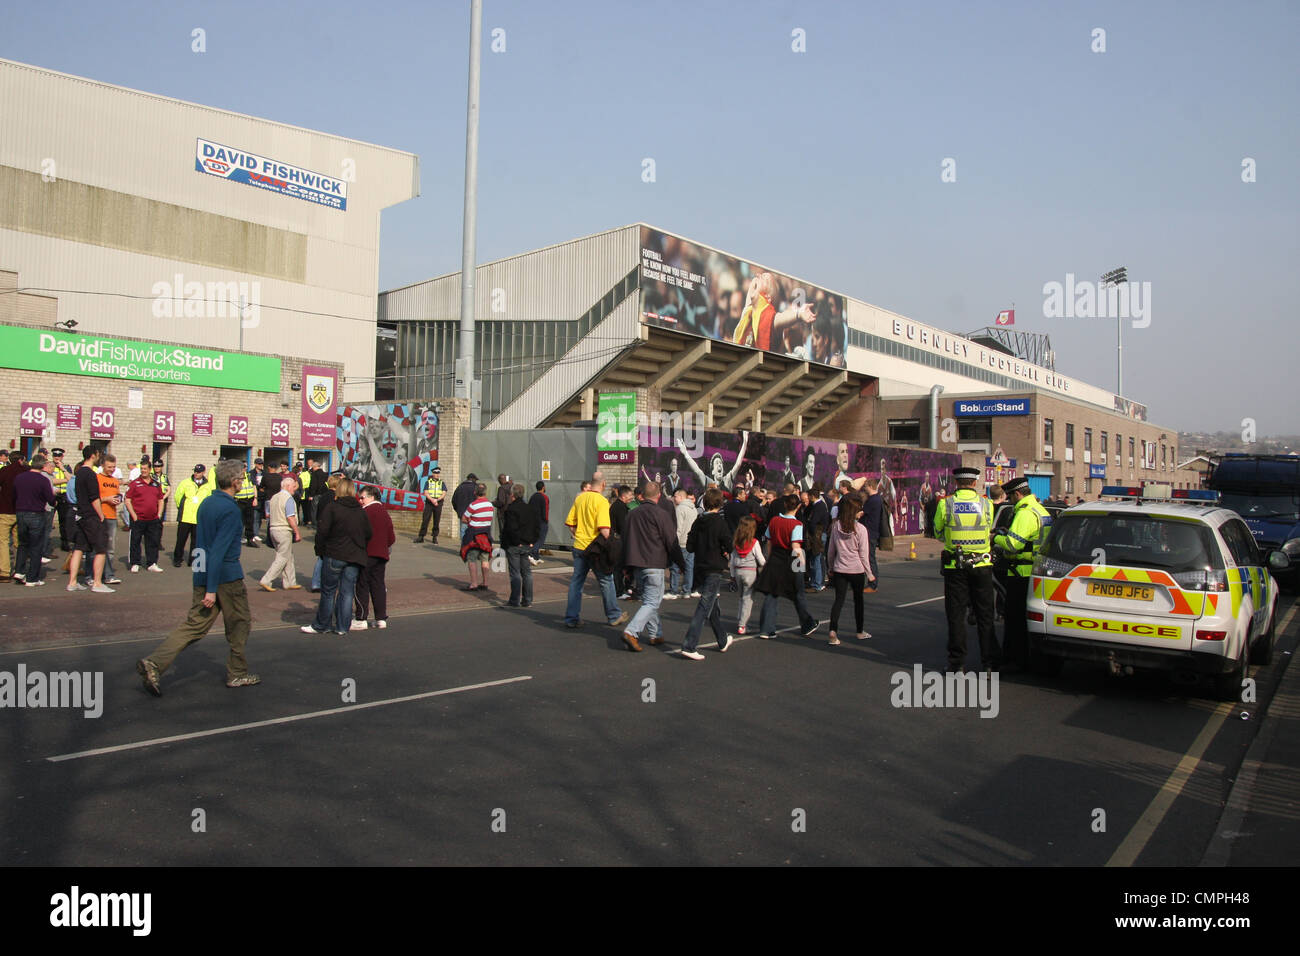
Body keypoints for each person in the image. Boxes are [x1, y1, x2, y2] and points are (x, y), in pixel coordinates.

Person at [136, 458, 260, 696]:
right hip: (226, 577)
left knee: (195, 625)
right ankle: (237, 672)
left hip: (204, 573)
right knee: (240, 623)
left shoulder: (206, 503)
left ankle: (155, 662)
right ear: (234, 482)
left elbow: (201, 546)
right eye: (242, 478)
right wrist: (211, 589)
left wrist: (200, 579)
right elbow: (218, 552)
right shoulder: (230, 510)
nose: (243, 482)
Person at [933, 467, 998, 673]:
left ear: (956, 482)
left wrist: (952, 541)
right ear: (974, 483)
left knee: (956, 616)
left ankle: (956, 663)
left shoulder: (946, 503)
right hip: (982, 565)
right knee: (985, 616)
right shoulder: (986, 504)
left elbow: (937, 531)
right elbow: (988, 530)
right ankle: (989, 664)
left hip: (956, 567)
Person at [992, 476, 1052, 668]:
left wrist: (995, 538)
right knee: (1026, 621)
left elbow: (1012, 544)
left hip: (1021, 573)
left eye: (1010, 497)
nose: (1009, 500)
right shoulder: (1040, 509)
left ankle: (1015, 661)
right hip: (1036, 571)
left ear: (1017, 494)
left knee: (1014, 620)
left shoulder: (1025, 513)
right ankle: (1026, 658)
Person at [302, 477, 371, 635]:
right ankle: (342, 626)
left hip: (335, 553)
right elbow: (368, 533)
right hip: (354, 556)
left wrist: (319, 550)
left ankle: (322, 624)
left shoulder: (333, 508)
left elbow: (322, 532)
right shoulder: (360, 511)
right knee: (347, 592)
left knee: (328, 591)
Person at [620, 481, 684, 652]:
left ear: (642, 495)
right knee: (652, 601)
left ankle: (656, 634)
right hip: (654, 562)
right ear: (659, 495)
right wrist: (681, 563)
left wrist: (625, 567)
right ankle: (631, 631)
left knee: (649, 599)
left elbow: (625, 540)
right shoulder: (661, 514)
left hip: (637, 563)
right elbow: (671, 541)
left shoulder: (632, 514)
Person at [563, 474, 628, 630]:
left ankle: (571, 618)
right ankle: (613, 615)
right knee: (606, 581)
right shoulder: (602, 502)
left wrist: (577, 534)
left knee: (576, 582)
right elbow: (605, 530)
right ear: (603, 484)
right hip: (595, 548)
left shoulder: (580, 498)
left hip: (579, 546)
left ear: (591, 485)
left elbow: (570, 524)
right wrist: (614, 544)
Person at [755, 493, 818, 639]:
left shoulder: (774, 520)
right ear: (798, 506)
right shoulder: (797, 524)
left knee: (772, 593)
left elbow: (769, 542)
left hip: (775, 558)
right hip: (792, 559)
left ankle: (766, 628)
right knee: (798, 592)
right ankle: (807, 623)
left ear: (785, 505)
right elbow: (796, 546)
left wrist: (769, 559)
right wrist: (802, 563)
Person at [680, 488, 733, 659]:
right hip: (714, 567)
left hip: (700, 566)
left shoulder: (698, 521)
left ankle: (722, 639)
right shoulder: (720, 523)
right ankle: (689, 645)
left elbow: (690, 546)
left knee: (712, 605)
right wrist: (724, 551)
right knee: (704, 606)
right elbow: (729, 544)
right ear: (720, 504)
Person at [826, 493, 875, 644]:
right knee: (858, 601)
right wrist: (870, 573)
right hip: (856, 570)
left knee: (838, 600)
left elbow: (831, 550)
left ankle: (833, 630)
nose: (862, 511)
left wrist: (830, 566)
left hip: (840, 568)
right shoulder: (861, 529)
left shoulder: (836, 527)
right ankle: (859, 631)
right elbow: (863, 555)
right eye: (859, 509)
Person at [66, 447, 113, 593]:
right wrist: (101, 515)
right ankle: (97, 583)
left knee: (79, 548)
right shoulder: (91, 474)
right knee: (101, 547)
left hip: (80, 514)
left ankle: (72, 582)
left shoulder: (79, 473)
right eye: (98, 455)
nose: (99, 457)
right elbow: (94, 498)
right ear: (93, 456)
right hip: (91, 515)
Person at [353, 484, 395, 629]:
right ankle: (381, 618)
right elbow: (391, 537)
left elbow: (358, 533)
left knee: (362, 585)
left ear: (371, 497)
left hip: (366, 553)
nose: (360, 500)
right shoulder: (384, 512)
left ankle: (361, 618)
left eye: (362, 497)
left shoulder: (365, 512)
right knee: (378, 585)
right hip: (381, 555)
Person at [13, 454, 56, 586]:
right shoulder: (43, 480)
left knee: (23, 543)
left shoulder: (19, 477)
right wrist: (54, 501)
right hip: (36, 513)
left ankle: (19, 571)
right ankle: (32, 578)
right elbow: (50, 499)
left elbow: (14, 494)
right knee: (36, 546)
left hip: (21, 513)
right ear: (43, 466)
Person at [257, 474, 303, 591]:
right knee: (282, 557)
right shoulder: (288, 498)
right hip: (283, 529)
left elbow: (268, 513)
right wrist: (297, 532)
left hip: (273, 528)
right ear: (287, 486)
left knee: (288, 555)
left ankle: (289, 582)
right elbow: (290, 517)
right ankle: (266, 580)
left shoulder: (274, 497)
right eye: (293, 486)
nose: (295, 488)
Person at [501, 482, 540, 608]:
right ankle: (527, 600)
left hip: (515, 545)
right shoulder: (530, 508)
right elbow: (536, 526)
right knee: (527, 572)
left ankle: (514, 600)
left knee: (515, 573)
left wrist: (516, 541)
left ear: (512, 495)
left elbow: (510, 529)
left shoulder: (511, 510)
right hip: (527, 544)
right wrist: (532, 541)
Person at [125, 458, 166, 573]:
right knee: (135, 541)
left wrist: (159, 514)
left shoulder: (155, 484)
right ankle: (135, 563)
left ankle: (152, 563)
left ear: (150, 469)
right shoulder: (134, 484)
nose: (143, 471)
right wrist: (133, 515)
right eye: (141, 469)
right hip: (138, 519)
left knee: (152, 542)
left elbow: (161, 500)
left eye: (145, 469)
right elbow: (127, 500)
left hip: (153, 519)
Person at [172, 464, 215, 567]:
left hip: (199, 518)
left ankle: (193, 560)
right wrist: (182, 508)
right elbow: (178, 496)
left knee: (196, 541)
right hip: (185, 517)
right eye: (195, 471)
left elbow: (209, 501)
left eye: (198, 472)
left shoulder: (208, 486)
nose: (196, 473)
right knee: (181, 540)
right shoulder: (185, 482)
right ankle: (177, 559)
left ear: (203, 472)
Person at [729, 514, 765, 635]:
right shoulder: (754, 542)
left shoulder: (735, 542)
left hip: (738, 570)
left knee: (741, 597)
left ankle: (740, 619)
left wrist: (732, 575)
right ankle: (742, 625)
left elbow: (732, 559)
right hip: (750, 572)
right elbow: (761, 560)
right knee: (748, 599)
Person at [460, 482, 495, 591]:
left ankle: (474, 584)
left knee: (472, 559)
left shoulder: (473, 505)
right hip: (486, 536)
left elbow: (464, 519)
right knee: (485, 559)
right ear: (485, 492)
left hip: (473, 536)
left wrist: (471, 520)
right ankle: (485, 583)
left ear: (475, 492)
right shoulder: (490, 505)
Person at [0, 450, 28, 582]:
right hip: (21, 511)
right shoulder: (25, 472)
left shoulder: (4, 471)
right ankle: (20, 570)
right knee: (20, 543)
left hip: (5, 510)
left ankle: (5, 572)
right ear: (21, 460)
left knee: (3, 542)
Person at [413, 465, 446, 544]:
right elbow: (426, 492)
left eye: (438, 473)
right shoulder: (428, 482)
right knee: (425, 519)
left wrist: (437, 500)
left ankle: (435, 537)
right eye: (435, 473)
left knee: (436, 520)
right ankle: (421, 536)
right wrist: (432, 500)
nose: (437, 474)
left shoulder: (442, 483)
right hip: (429, 502)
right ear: (433, 474)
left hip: (438, 502)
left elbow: (444, 493)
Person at [49, 448, 74, 551]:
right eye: (55, 456)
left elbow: (71, 479)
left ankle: (65, 542)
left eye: (59, 456)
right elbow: (51, 481)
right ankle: (46, 545)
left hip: (63, 496)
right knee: (48, 520)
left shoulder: (66, 467)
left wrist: (63, 469)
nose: (57, 458)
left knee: (64, 521)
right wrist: (64, 480)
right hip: (52, 495)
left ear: (62, 457)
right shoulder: (49, 466)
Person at [233, 464, 259, 547]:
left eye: (245, 467)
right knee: (239, 521)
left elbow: (254, 486)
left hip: (249, 500)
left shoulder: (249, 476)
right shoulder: (235, 477)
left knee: (250, 520)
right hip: (239, 500)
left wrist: (255, 498)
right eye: (243, 467)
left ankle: (250, 539)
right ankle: (237, 539)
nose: (244, 469)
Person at [451, 472, 479, 546]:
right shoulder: (476, 488)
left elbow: (454, 500)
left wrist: (458, 510)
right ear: (473, 479)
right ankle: (472, 547)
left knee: (463, 531)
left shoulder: (460, 487)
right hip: (474, 514)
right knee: (473, 531)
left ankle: (464, 547)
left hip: (463, 514)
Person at [527, 480, 549, 563]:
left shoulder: (533, 497)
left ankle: (536, 557)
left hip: (533, 522)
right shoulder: (544, 497)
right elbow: (545, 510)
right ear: (543, 487)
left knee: (535, 539)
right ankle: (531, 554)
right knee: (541, 540)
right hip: (541, 522)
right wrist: (546, 521)